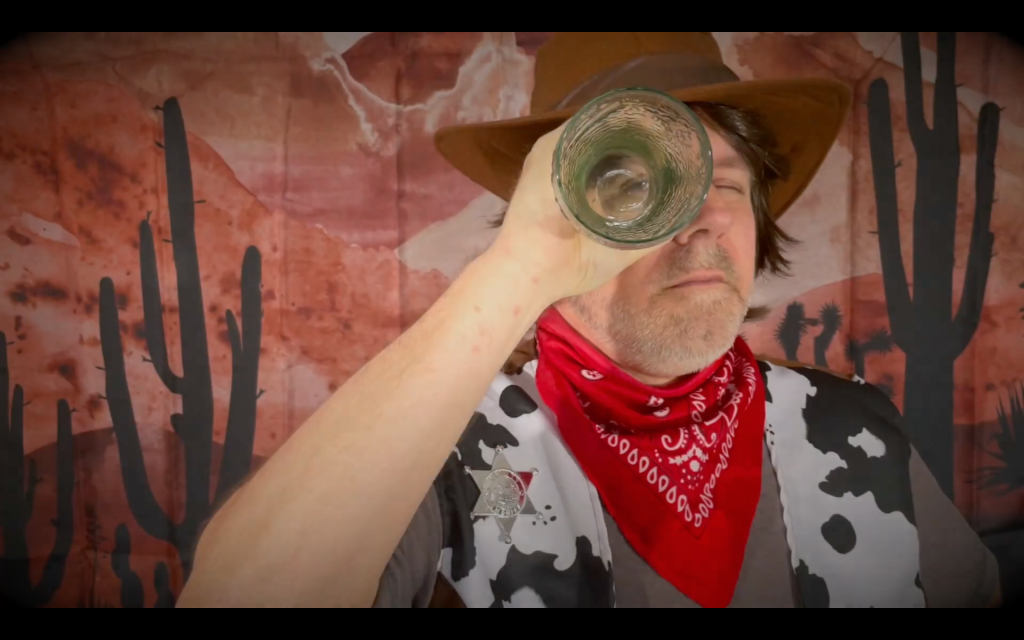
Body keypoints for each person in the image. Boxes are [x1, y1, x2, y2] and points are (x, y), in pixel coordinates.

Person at [177, 32, 1001, 608]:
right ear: (557, 215)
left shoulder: (859, 430)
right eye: (641, 189)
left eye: (723, 182)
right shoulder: (455, 461)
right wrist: (515, 274)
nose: (699, 222)